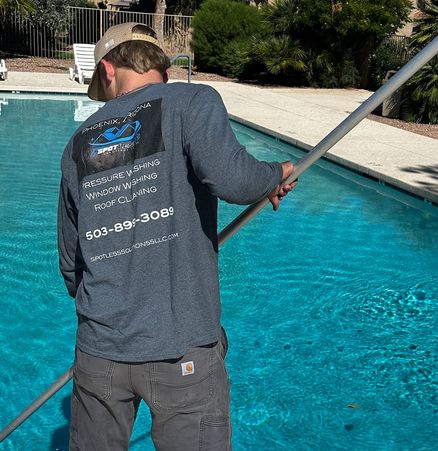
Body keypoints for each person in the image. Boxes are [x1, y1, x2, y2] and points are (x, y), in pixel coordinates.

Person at [57, 22, 296, 450]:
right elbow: (236, 182)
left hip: (100, 352)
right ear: (161, 68)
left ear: (108, 70)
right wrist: (274, 174)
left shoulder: (78, 141)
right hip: (181, 349)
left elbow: (71, 264)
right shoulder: (192, 101)